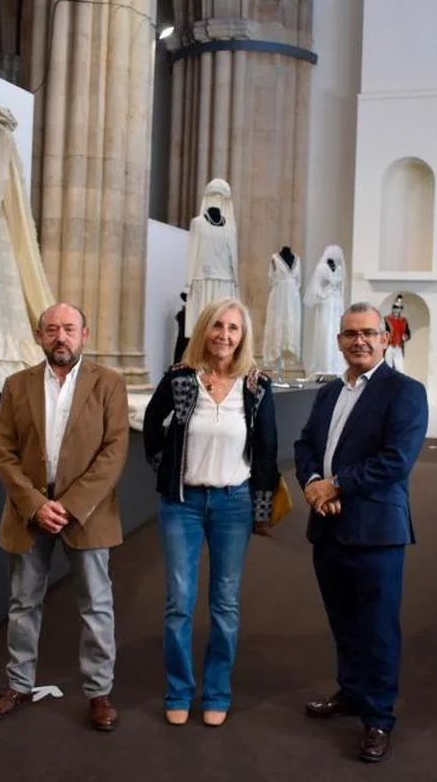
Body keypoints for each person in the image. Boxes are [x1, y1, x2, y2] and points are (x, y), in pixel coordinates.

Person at [0, 303, 130, 732]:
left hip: (87, 513)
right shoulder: (15, 385)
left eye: (68, 328)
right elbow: (4, 453)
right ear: (39, 336)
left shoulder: (109, 384)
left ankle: (99, 693)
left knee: (96, 606)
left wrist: (69, 505)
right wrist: (34, 504)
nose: (59, 336)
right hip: (29, 513)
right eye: (51, 329)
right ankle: (18, 685)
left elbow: (114, 451)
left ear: (85, 334)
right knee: (23, 602)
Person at [294, 302, 429, 763]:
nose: (360, 341)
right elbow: (306, 444)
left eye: (369, 333)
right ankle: (351, 693)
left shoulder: (405, 392)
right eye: (351, 334)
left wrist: (337, 484)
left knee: (377, 628)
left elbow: (397, 460)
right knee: (343, 620)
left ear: (386, 339)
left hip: (376, 530)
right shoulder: (330, 392)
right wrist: (313, 484)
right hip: (327, 524)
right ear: (339, 340)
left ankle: (378, 718)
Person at [142, 297, 280, 728]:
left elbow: (268, 450)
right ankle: (179, 690)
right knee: (179, 602)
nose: (224, 335)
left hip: (233, 504)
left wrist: (261, 510)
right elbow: (150, 425)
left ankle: (217, 691)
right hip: (182, 505)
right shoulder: (181, 379)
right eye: (217, 326)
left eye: (233, 328)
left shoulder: (256, 385)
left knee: (225, 604)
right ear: (203, 329)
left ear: (243, 337)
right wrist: (165, 471)